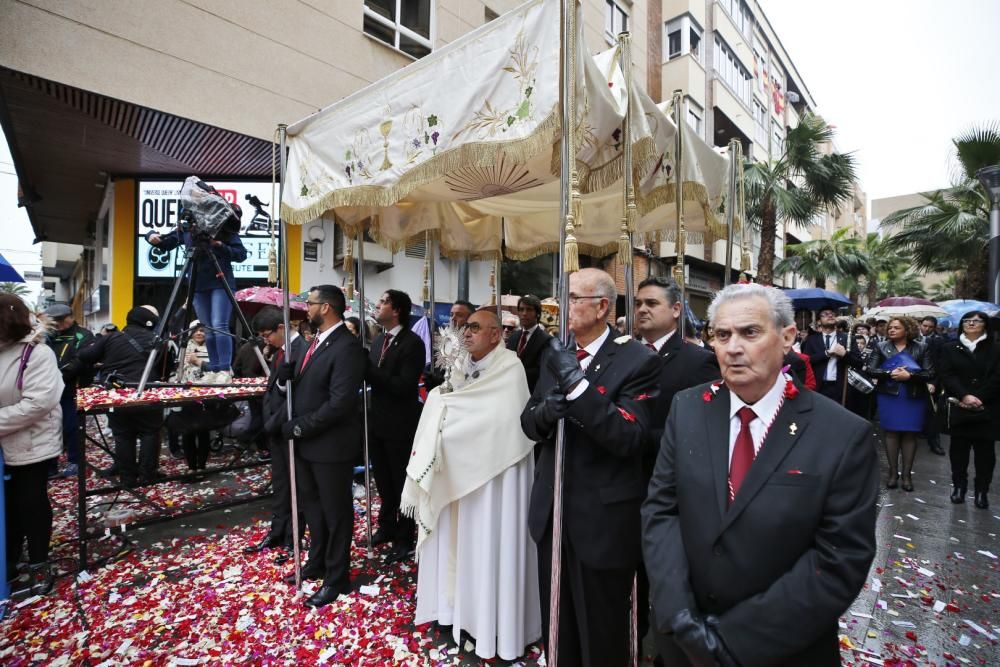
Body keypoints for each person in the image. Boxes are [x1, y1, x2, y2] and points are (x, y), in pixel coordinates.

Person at [641, 283, 878, 666]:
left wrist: (730, 641)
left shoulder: (842, 434)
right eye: (721, 335)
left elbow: (839, 559)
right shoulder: (686, 409)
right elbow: (661, 510)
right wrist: (677, 612)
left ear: (787, 337)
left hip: (782, 649)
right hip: (684, 642)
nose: (733, 347)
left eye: (750, 332)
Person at [521, 268, 660, 666]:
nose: (560, 307)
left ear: (601, 307)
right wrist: (546, 412)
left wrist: (578, 389)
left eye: (571, 298)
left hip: (602, 519)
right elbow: (528, 424)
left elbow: (627, 436)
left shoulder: (637, 359)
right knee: (557, 628)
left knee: (601, 632)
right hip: (552, 513)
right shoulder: (558, 353)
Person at [404, 309, 540, 660]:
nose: (466, 334)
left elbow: (498, 420)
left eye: (475, 328)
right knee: (458, 546)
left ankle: (495, 624)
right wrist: (445, 398)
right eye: (465, 328)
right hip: (459, 473)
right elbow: (457, 404)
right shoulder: (463, 366)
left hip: (494, 478)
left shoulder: (510, 368)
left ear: (496, 335)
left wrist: (447, 406)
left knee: (489, 548)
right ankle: (456, 612)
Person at [634, 276, 719, 649]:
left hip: (668, 482)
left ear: (674, 310)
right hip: (626, 482)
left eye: (651, 303)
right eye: (638, 303)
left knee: (666, 570)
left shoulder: (698, 361)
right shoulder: (626, 354)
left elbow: (700, 429)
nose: (641, 310)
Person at [278, 285, 366, 607]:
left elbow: (340, 402)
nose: (306, 309)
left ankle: (337, 576)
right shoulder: (311, 343)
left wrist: (301, 426)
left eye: (310, 304)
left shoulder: (347, 347)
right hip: (307, 446)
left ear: (326, 308)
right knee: (313, 509)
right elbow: (302, 385)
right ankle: (317, 561)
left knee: (336, 512)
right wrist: (282, 378)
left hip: (330, 446)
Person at [1, 294, 64, 595]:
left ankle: (38, 560)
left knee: (29, 500)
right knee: (8, 505)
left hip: (31, 441)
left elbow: (38, 403)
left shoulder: (37, 353)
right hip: (6, 437)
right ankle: (8, 560)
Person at [147, 207, 248, 384]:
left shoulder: (222, 227)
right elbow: (164, 242)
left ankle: (224, 369)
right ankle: (214, 369)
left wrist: (218, 245)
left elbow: (241, 254)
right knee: (207, 327)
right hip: (197, 284)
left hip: (220, 281)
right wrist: (150, 235)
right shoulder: (188, 229)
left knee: (219, 324)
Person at [367, 290, 425, 564]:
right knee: (383, 481)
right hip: (378, 421)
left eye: (382, 302)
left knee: (402, 483)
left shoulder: (412, 343)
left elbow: (403, 386)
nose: (377, 306)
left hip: (401, 423)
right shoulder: (379, 340)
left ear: (397, 310)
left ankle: (405, 536)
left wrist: (370, 373)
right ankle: (387, 525)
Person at [244, 306, 307, 560]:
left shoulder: (301, 349)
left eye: (267, 334)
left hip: (288, 427)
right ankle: (278, 531)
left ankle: (294, 536)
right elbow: (277, 387)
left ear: (281, 328)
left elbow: (297, 395)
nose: (265, 340)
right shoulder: (279, 353)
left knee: (295, 487)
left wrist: (273, 423)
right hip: (275, 428)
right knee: (281, 485)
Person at [79, 306, 165, 487]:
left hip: (117, 393)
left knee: (123, 435)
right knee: (150, 433)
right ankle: (148, 476)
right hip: (148, 393)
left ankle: (128, 478)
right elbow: (165, 369)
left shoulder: (111, 338)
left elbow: (85, 356)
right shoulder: (158, 341)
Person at [936, 311, 998, 509]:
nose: (971, 323)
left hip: (987, 407)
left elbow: (997, 378)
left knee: (985, 454)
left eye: (977, 321)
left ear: (985, 325)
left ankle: (982, 491)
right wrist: (964, 395)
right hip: (959, 405)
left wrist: (980, 398)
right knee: (958, 451)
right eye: (967, 320)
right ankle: (959, 487)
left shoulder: (995, 349)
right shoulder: (949, 348)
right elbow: (946, 374)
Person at [866, 316, 934, 492]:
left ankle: (906, 475)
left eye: (896, 327)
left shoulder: (922, 347)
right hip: (889, 395)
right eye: (890, 328)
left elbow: (929, 373)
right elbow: (870, 369)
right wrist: (889, 373)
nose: (891, 330)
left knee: (910, 434)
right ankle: (892, 473)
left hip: (913, 395)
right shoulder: (881, 346)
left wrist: (910, 376)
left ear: (908, 330)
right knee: (891, 433)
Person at [43, 303, 94, 478]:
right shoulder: (47, 336)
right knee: (49, 428)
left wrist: (58, 377)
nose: (57, 325)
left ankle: (74, 461)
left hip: (72, 389)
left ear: (69, 318)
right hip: (49, 389)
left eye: (59, 321)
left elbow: (79, 361)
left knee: (72, 427)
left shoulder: (83, 335)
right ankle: (50, 465)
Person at [800, 307, 857, 404]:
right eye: (825, 314)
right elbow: (807, 361)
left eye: (832, 314)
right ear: (818, 321)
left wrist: (844, 354)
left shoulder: (847, 338)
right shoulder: (812, 340)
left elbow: (858, 362)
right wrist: (826, 353)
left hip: (839, 388)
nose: (830, 315)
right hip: (818, 387)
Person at [506, 294, 551, 394]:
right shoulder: (513, 337)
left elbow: (542, 371)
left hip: (531, 392)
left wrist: (514, 373)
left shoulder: (546, 340)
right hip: (510, 391)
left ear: (537, 313)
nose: (524, 313)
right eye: (521, 310)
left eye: (529, 310)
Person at [918, 316, 946, 455]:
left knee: (932, 413)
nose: (927, 329)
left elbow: (940, 365)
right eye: (925, 325)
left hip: (931, 380)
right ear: (920, 325)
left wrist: (934, 383)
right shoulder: (912, 338)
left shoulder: (939, 341)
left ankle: (934, 442)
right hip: (913, 378)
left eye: (930, 327)